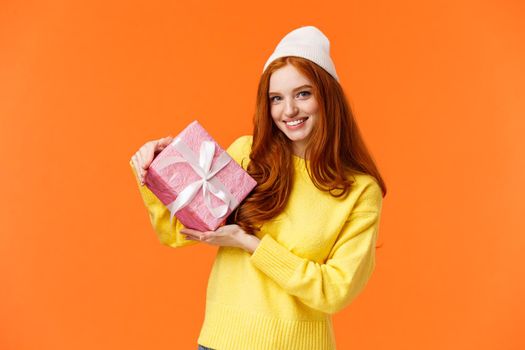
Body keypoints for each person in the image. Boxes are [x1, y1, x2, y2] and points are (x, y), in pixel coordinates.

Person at [130, 25, 387, 350]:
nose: (288, 110)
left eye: (303, 94)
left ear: (328, 97)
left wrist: (251, 244)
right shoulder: (246, 155)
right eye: (276, 98)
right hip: (220, 342)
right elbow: (175, 233)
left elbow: (335, 290)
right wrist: (157, 169)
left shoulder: (359, 190)